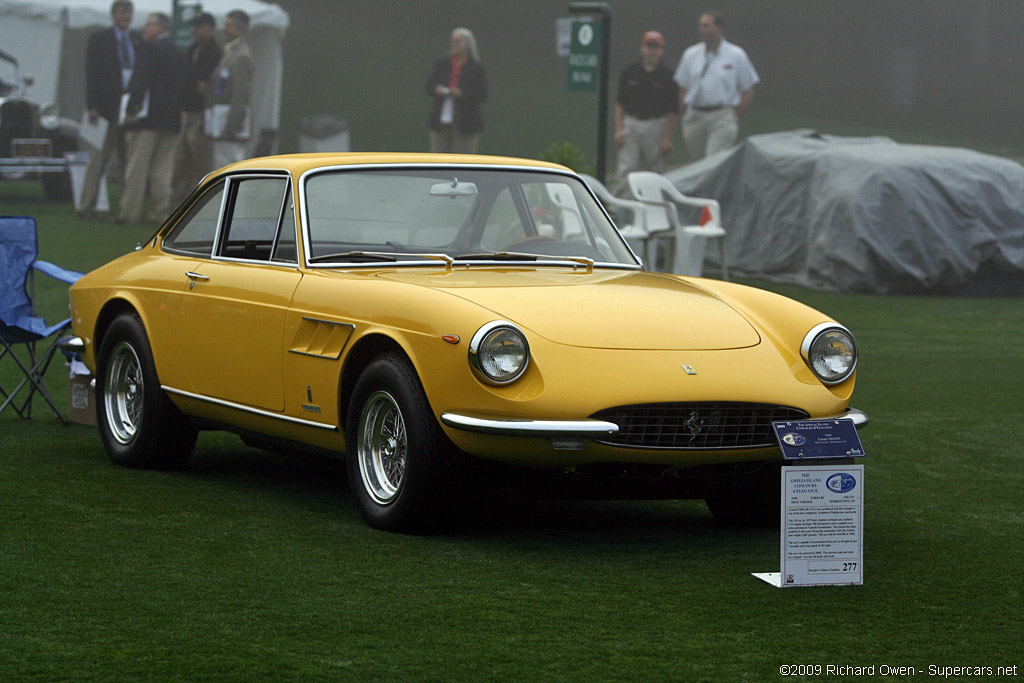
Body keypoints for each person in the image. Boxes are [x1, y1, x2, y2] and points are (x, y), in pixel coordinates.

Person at [119, 12, 186, 224]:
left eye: (149, 25)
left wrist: (130, 111)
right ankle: (159, 213)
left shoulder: (150, 49)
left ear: (160, 28)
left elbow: (141, 80)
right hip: (172, 119)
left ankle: (130, 213)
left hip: (147, 120)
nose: (145, 29)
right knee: (163, 171)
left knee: (137, 169)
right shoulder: (179, 52)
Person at [673, 9, 759, 160]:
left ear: (719, 28)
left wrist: (735, 116)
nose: (702, 30)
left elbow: (748, 89)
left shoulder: (736, 54)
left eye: (707, 26)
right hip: (695, 116)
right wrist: (685, 112)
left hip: (722, 116)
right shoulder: (691, 54)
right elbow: (683, 86)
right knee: (697, 164)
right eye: (700, 26)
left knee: (714, 162)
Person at [78, 0, 138, 218]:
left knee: (127, 161)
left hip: (129, 110)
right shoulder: (99, 39)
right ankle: (87, 206)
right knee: (98, 159)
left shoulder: (137, 39)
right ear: (113, 15)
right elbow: (91, 74)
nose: (126, 17)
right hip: (105, 108)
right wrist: (92, 105)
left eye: (129, 13)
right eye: (122, 12)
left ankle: (125, 208)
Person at [612, 30, 680, 190]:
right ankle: (616, 209)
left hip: (656, 125)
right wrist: (619, 130)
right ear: (642, 48)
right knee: (625, 168)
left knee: (657, 170)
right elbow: (620, 103)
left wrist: (667, 138)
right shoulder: (630, 72)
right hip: (632, 123)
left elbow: (674, 111)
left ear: (661, 50)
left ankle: (658, 206)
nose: (652, 51)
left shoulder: (668, 75)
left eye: (656, 48)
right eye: (649, 47)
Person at [171, 12, 221, 203]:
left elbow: (218, 86)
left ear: (209, 29)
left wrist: (208, 91)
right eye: (193, 27)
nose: (194, 31)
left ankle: (198, 203)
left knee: (200, 162)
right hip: (186, 111)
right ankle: (180, 203)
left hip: (201, 114)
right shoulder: (191, 50)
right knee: (182, 160)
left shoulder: (216, 53)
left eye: (199, 27)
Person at [425, 28, 487, 154]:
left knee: (464, 158)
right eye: (453, 41)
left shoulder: (477, 67)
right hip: (441, 119)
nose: (454, 44)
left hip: (465, 121)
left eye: (458, 41)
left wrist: (461, 93)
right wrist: (438, 89)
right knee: (437, 156)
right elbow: (429, 86)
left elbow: (482, 94)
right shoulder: (442, 64)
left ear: (467, 44)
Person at [206, 9, 254, 169]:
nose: (225, 29)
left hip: (229, 126)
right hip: (220, 121)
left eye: (229, 26)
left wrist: (232, 126)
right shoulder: (230, 51)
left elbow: (241, 94)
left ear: (241, 30)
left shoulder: (241, 56)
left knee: (229, 168)